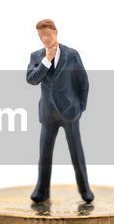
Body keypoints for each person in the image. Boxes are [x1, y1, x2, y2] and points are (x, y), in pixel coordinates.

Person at [25, 19, 93, 203]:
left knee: (76, 152)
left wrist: (81, 107)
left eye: (47, 35)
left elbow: (83, 82)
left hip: (70, 112)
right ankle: (42, 189)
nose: (45, 39)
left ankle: (85, 189)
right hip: (48, 113)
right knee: (44, 154)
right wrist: (46, 60)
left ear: (55, 33)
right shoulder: (37, 56)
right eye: (41, 36)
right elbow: (31, 79)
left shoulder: (72, 55)